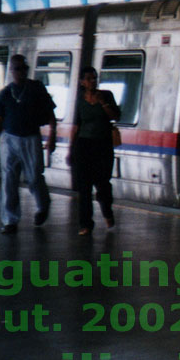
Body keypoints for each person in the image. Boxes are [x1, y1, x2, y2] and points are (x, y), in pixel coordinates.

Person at [0, 54, 57, 234]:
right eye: (17, 69)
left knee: (34, 177)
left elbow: (50, 113)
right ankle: (10, 220)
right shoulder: (5, 93)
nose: (21, 72)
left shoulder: (36, 88)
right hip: (9, 139)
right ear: (11, 71)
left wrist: (52, 136)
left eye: (24, 68)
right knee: (9, 180)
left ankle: (43, 206)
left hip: (31, 137)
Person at [70, 66, 121, 236]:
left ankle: (107, 211)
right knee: (84, 187)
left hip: (103, 145)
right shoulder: (79, 100)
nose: (92, 81)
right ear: (82, 82)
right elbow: (76, 126)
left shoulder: (106, 95)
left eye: (94, 78)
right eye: (89, 79)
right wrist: (71, 149)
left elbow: (115, 116)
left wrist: (103, 102)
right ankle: (86, 224)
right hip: (83, 145)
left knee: (103, 184)